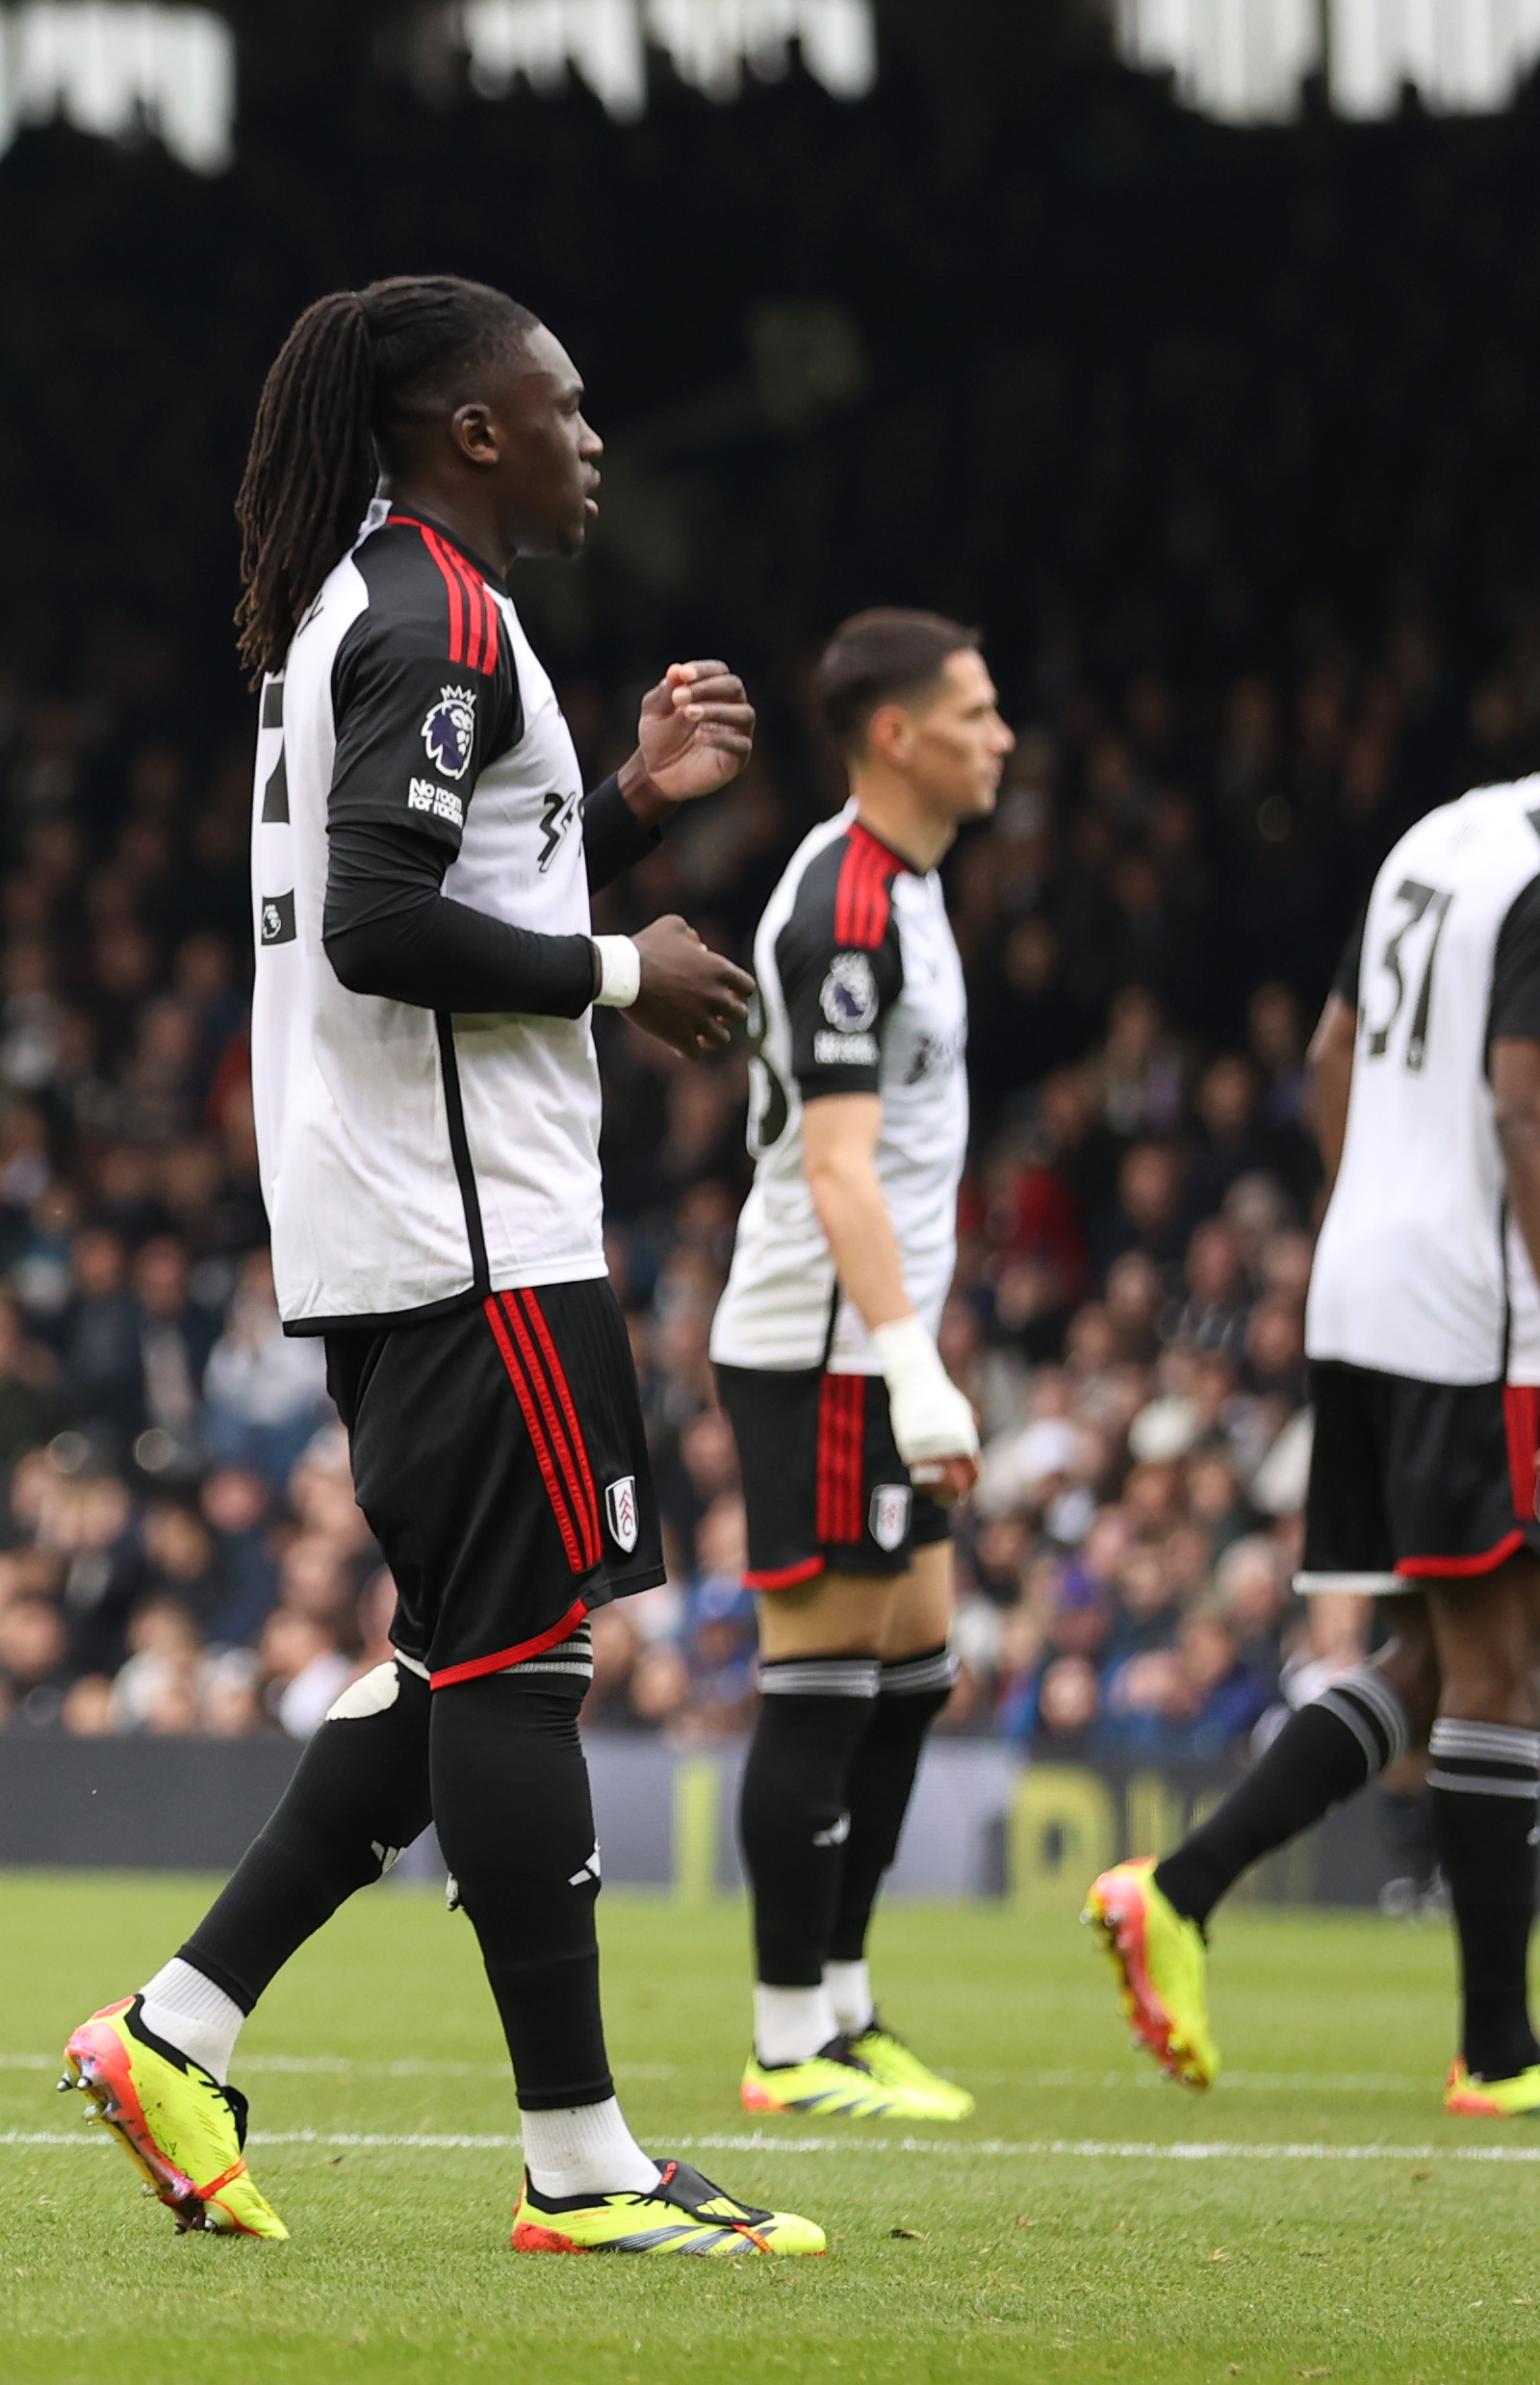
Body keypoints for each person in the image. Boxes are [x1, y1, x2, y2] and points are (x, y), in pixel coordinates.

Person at [55, 273, 823, 2261]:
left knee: (461, 1654)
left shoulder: (361, 613)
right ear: (468, 428)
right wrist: (619, 964)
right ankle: (580, 2161)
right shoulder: (437, 616)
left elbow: (443, 876)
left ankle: (177, 2024)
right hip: (474, 1230)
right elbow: (391, 925)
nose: (590, 437)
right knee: (520, 1662)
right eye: (561, 406)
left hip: (406, 1213)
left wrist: (627, 810)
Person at [1085, 641, 1540, 2124]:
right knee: (1506, 1654)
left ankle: (1178, 1889)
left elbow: (1331, 1053)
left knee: (1440, 1657)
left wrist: (1371, 1204)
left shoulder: (1437, 838)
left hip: (1362, 1284)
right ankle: (1497, 2051)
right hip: (1473, 1309)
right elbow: (1526, 1105)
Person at [707, 610, 1011, 2123]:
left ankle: (842, 2003)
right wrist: (909, 1364)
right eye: (973, 711)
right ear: (895, 734)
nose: (999, 735)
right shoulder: (845, 902)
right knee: (821, 1682)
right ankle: (784, 2041)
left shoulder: (909, 888)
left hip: (869, 1341)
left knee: (915, 1672)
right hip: (819, 1345)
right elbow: (834, 1170)